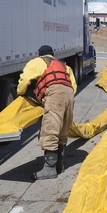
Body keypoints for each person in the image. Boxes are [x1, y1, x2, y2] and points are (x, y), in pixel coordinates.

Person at [17, 44, 76, 179]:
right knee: (62, 130)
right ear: (52, 55)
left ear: (40, 55)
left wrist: (20, 92)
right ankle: (59, 165)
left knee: (50, 129)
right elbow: (74, 85)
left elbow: (24, 80)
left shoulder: (36, 62)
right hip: (69, 94)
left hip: (54, 94)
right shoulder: (63, 65)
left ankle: (49, 168)